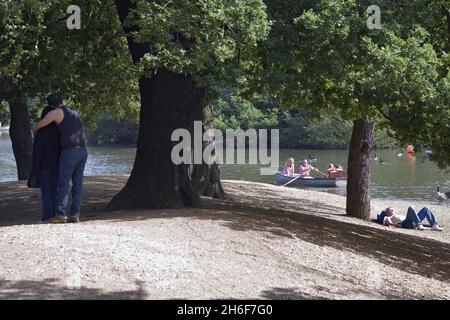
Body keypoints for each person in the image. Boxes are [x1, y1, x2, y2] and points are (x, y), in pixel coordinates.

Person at [32, 95, 88, 223]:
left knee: (63, 183)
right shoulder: (74, 112)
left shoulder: (56, 112)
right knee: (78, 183)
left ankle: (61, 214)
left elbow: (41, 124)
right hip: (83, 150)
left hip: (69, 151)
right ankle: (75, 214)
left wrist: (34, 131)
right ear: (62, 101)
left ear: (51, 105)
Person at [28, 104, 61, 224]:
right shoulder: (59, 131)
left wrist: (35, 168)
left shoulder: (40, 132)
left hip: (44, 165)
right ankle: (57, 214)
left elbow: (37, 151)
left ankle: (47, 217)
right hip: (57, 164)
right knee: (55, 191)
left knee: (46, 191)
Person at [376, 207, 443, 231]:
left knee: (426, 209)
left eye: (392, 209)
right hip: (405, 223)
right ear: (386, 212)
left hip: (412, 221)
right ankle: (419, 224)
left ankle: (434, 225)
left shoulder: (395, 215)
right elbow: (389, 222)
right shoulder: (388, 217)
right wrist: (397, 225)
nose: (392, 211)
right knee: (410, 208)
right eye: (390, 210)